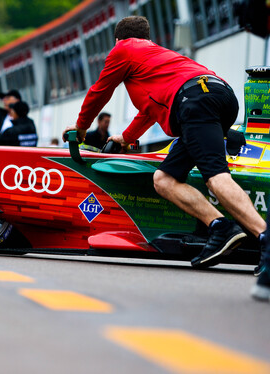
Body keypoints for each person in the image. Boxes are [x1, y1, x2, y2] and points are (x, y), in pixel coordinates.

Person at [62, 16, 266, 270]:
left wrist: (81, 127)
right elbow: (149, 110)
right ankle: (220, 227)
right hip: (217, 96)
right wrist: (126, 138)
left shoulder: (123, 49)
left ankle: (265, 239)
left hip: (196, 101)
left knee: (215, 175)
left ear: (117, 39)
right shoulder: (156, 57)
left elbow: (99, 92)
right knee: (164, 179)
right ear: (148, 37)